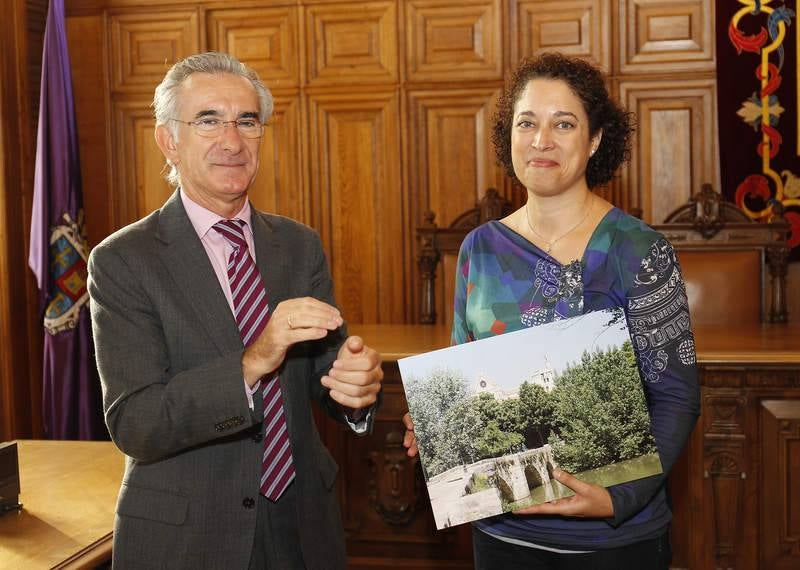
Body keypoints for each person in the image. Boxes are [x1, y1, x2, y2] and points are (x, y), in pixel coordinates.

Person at [402, 52, 700, 569]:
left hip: (614, 539)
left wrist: (616, 500)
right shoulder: (480, 248)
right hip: (503, 534)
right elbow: (467, 370)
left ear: (595, 140)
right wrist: (436, 425)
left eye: (563, 124)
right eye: (527, 123)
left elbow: (677, 395)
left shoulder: (638, 249)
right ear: (508, 137)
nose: (541, 140)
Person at [87, 52, 383, 570]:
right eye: (208, 121)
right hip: (188, 537)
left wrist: (355, 388)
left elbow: (325, 378)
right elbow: (136, 423)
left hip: (303, 526)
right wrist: (252, 362)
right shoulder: (121, 261)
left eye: (247, 121)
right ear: (167, 140)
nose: (232, 140)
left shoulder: (298, 245)